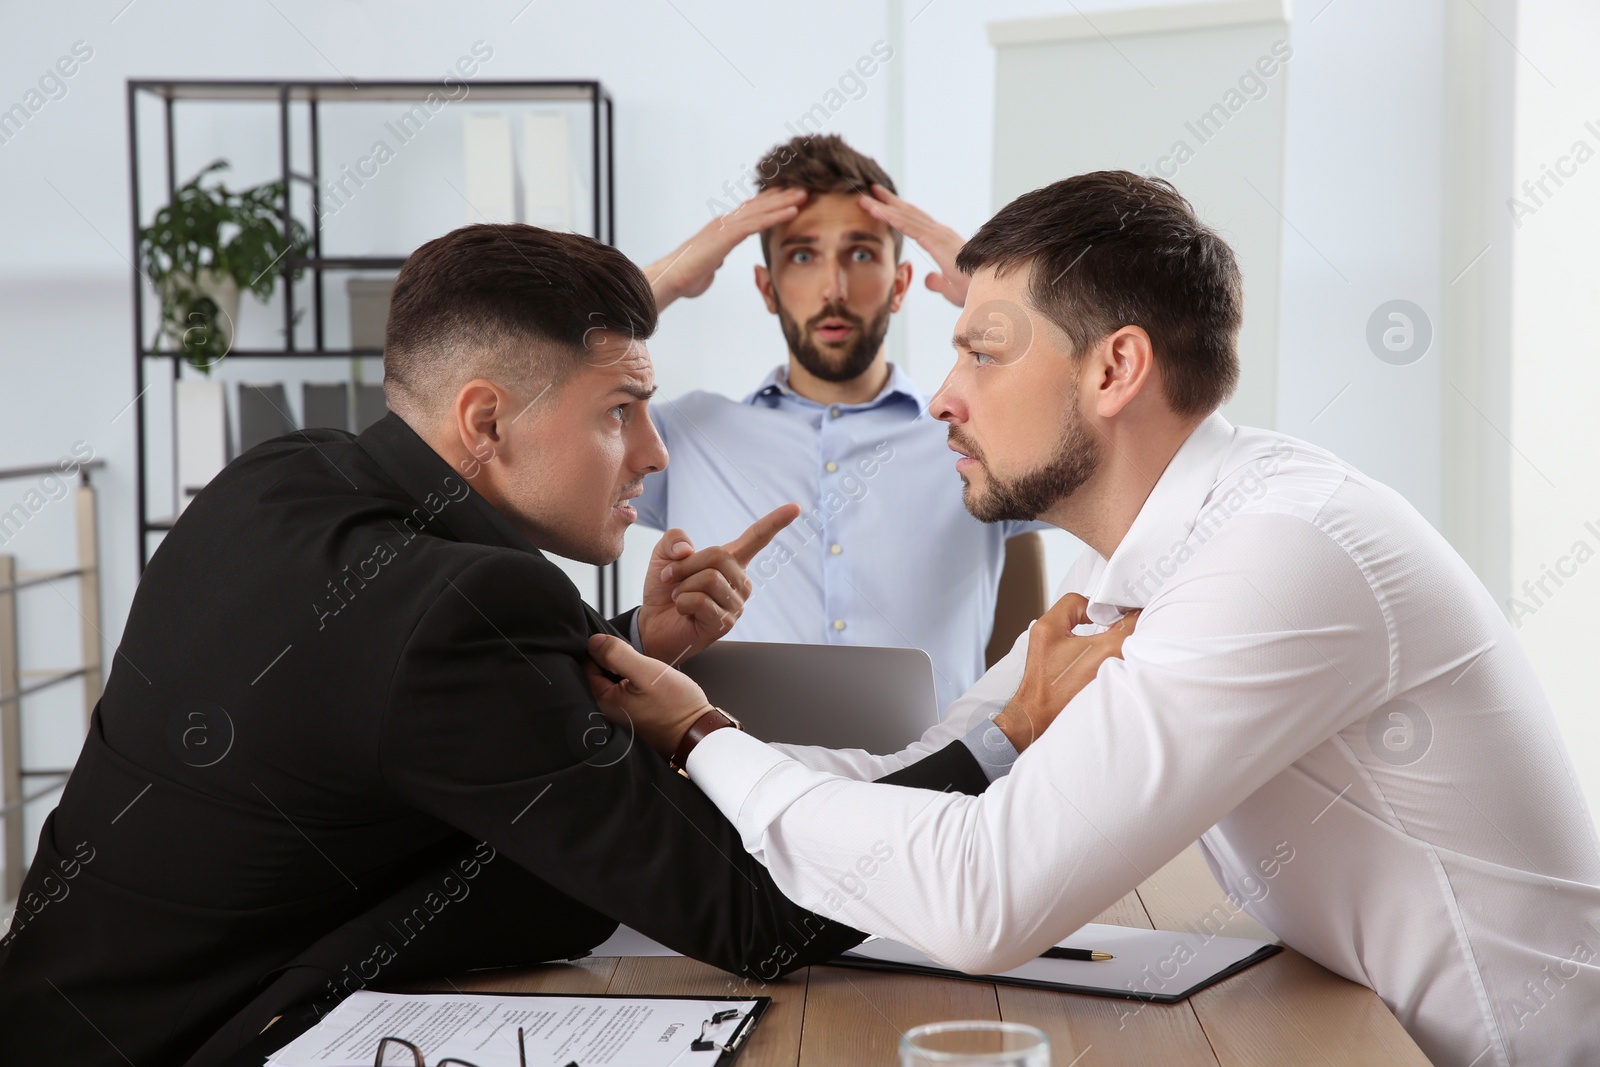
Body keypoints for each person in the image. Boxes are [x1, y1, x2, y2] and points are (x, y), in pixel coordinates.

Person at [588, 172, 1600, 1066]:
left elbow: (983, 896)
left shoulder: (1280, 551)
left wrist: (702, 733)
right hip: (1364, 1022)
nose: (941, 398)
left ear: (1113, 370)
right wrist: (681, 753)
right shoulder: (1138, 559)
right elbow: (922, 762)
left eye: (982, 352)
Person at [0, 225, 1002, 1067]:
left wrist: (632, 640)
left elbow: (386, 694)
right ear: (485, 419)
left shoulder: (277, 477)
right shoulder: (465, 605)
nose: (653, 455)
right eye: (620, 410)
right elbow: (758, 917)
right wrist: (1012, 730)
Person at [640, 134, 1046, 711]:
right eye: (802, 256)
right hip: (725, 792)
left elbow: (1116, 439)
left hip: (934, 794)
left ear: (900, 283)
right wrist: (666, 279)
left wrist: (1001, 297)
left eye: (860, 254)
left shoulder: (980, 432)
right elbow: (533, 408)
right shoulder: (684, 434)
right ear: (767, 287)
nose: (834, 289)